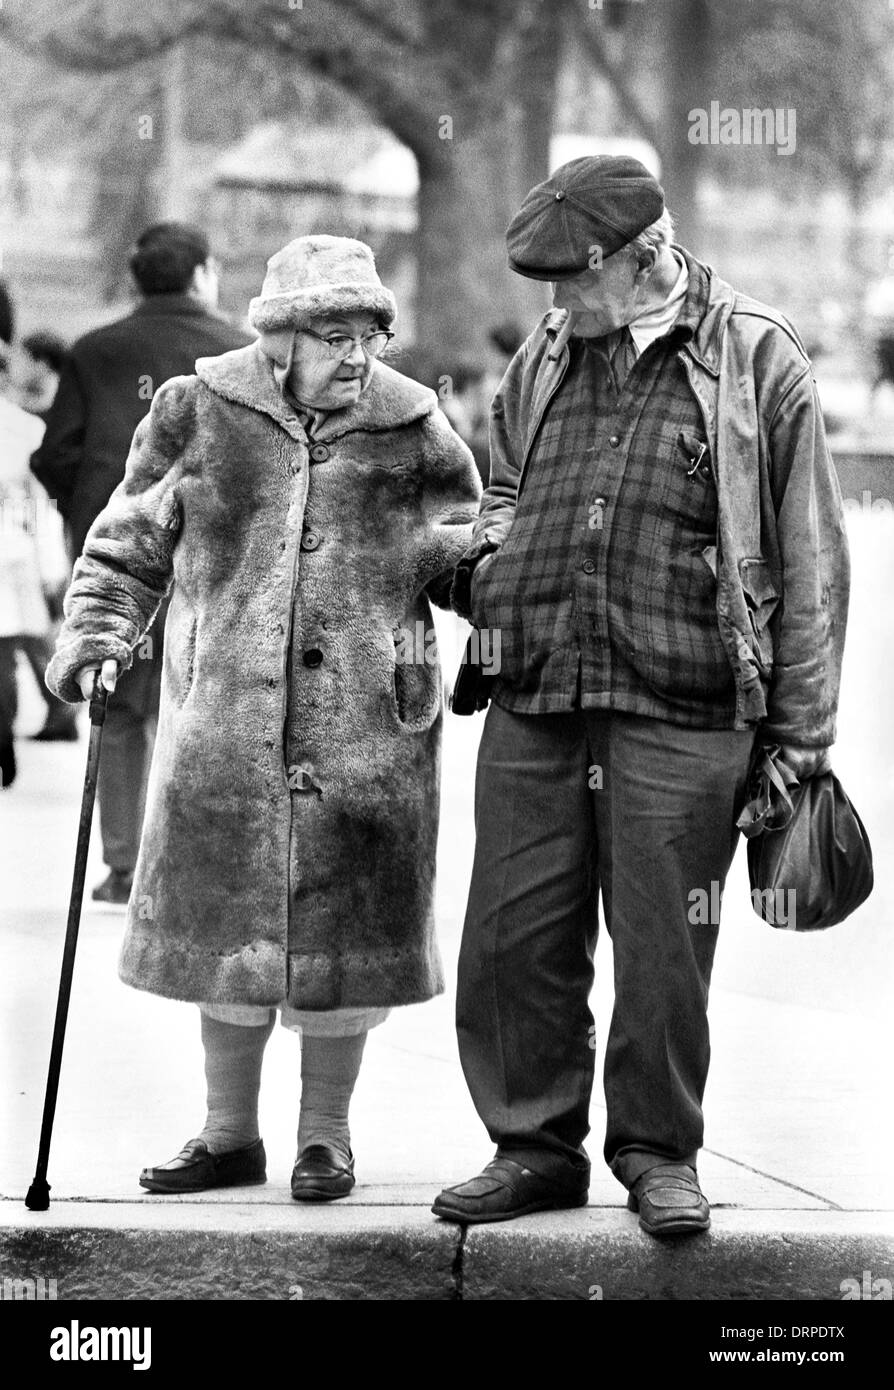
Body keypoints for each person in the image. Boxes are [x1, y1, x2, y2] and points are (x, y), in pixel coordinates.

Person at [432, 156, 850, 1236]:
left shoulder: (757, 354)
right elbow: (510, 483)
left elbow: (809, 555)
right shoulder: (551, 347)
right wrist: (490, 555)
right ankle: (531, 1146)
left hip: (686, 702)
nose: (556, 305)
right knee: (511, 935)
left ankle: (659, 1151)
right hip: (538, 680)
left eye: (573, 280)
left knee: (665, 947)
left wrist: (800, 739)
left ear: (644, 256)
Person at [46, 234, 481, 1199]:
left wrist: (499, 591)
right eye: (336, 335)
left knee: (347, 947)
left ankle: (325, 1137)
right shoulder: (196, 412)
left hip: (370, 731)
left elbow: (464, 549)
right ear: (279, 337)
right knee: (224, 934)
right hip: (225, 726)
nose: (361, 356)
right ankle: (227, 1133)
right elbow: (126, 545)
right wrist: (99, 636)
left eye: (372, 334)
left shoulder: (413, 426)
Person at [32, 222, 254, 903]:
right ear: (203, 274)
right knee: (197, 702)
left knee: (120, 706)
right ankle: (183, 861)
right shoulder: (239, 355)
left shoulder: (96, 351)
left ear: (137, 280)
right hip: (209, 559)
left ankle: (125, 866)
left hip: (118, 560)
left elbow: (56, 452)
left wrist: (92, 518)